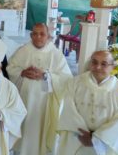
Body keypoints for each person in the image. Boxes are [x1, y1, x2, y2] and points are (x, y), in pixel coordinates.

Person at [7, 23, 72, 155]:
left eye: (42, 34)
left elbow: (67, 78)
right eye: (35, 34)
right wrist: (22, 73)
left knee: (41, 130)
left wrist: (46, 75)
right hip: (24, 100)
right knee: (25, 129)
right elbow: (10, 68)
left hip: (45, 102)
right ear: (31, 35)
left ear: (48, 36)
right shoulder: (23, 50)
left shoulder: (56, 54)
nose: (38, 37)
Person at [57, 50, 118, 155]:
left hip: (104, 146)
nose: (98, 67)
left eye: (104, 64)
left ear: (113, 67)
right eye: (94, 62)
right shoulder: (74, 84)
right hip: (77, 140)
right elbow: (68, 110)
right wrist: (82, 134)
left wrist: (96, 139)